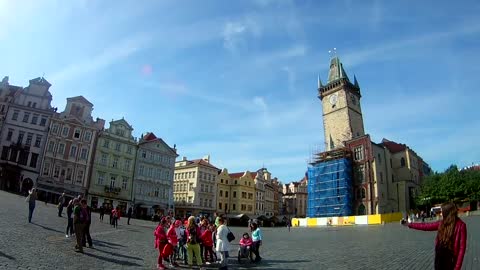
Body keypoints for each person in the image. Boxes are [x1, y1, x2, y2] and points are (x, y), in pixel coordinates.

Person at [404, 202, 467, 270]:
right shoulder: (442, 223)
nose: (440, 214)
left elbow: (461, 249)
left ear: (447, 212)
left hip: (451, 261)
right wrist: (409, 224)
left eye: (442, 212)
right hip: (439, 260)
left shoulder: (461, 226)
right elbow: (426, 226)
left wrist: (457, 268)